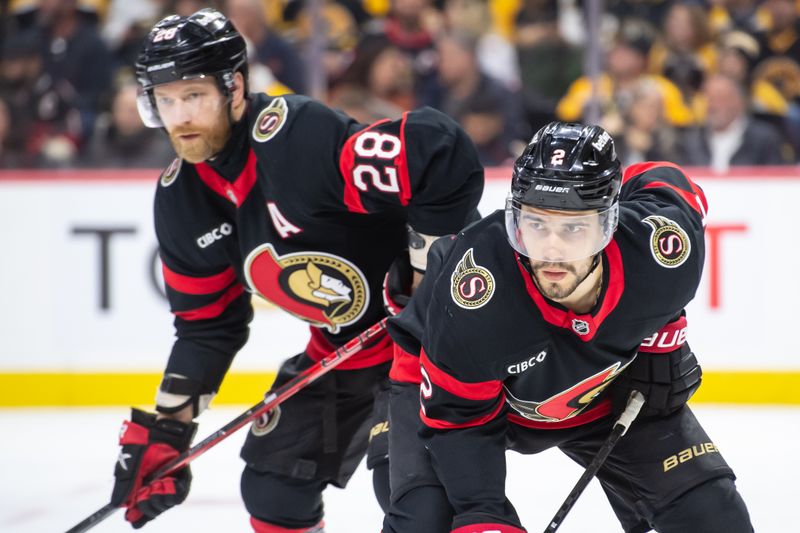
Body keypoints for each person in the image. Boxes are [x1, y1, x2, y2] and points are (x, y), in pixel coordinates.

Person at [108, 8, 483, 532]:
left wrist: (425, 279)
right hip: (342, 354)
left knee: (410, 491)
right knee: (273, 485)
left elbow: (438, 150)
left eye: (192, 96)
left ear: (234, 88)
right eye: (164, 101)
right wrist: (169, 431)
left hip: (422, 348)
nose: (179, 117)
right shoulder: (181, 199)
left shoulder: (294, 139)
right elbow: (208, 326)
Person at [382, 122, 753, 532]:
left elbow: (667, 179)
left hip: (596, 392)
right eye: (537, 225)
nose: (552, 250)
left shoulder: (662, 250)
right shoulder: (477, 293)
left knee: (714, 516)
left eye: (574, 228)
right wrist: (483, 514)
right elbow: (458, 420)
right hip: (450, 399)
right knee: (424, 522)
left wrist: (660, 338)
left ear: (609, 223)